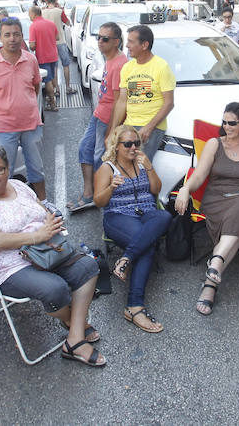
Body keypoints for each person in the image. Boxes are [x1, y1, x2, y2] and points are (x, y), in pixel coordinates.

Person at [0, 144, 106, 367]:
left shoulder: (18, 186)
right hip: (7, 268)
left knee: (89, 266)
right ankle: (75, 324)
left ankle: (73, 337)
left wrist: (50, 221)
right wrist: (37, 236)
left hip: (44, 252)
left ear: (8, 169)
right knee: (55, 288)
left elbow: (42, 209)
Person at [175, 103, 239, 316]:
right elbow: (199, 175)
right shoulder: (214, 144)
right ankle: (215, 268)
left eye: (232, 123)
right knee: (237, 228)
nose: (226, 127)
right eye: (224, 122)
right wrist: (185, 189)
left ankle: (213, 274)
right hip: (216, 200)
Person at [93, 125, 170, 333]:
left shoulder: (142, 163)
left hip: (145, 213)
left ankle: (125, 259)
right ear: (116, 146)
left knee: (164, 215)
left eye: (136, 143)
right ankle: (135, 306)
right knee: (146, 244)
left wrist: (149, 167)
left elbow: (156, 190)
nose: (133, 147)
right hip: (118, 216)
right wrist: (111, 187)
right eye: (127, 144)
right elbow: (98, 201)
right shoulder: (107, 168)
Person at [0, 17, 49, 201]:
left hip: (31, 125)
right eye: (7, 35)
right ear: (0, 37)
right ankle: (5, 207)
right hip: (4, 128)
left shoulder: (30, 60)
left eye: (16, 34)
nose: (12, 39)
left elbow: (35, 87)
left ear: (22, 36)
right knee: (2, 172)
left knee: (37, 169)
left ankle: (44, 204)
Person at [68, 22, 126, 212]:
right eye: (98, 37)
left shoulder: (119, 64)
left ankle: (100, 197)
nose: (100, 41)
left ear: (116, 42)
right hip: (98, 115)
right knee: (85, 149)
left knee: (100, 158)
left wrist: (112, 129)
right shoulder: (109, 59)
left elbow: (120, 101)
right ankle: (89, 193)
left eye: (105, 39)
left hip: (106, 119)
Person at [110, 25, 175, 162]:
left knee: (137, 167)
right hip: (129, 126)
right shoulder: (127, 68)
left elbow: (169, 103)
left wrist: (149, 128)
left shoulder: (161, 67)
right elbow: (122, 102)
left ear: (145, 45)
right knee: (115, 162)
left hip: (151, 126)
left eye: (131, 42)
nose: (127, 46)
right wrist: (113, 130)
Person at [27, 6, 60, 112]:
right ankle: (52, 97)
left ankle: (52, 103)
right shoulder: (51, 24)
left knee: (47, 80)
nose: (29, 16)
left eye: (29, 14)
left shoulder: (33, 26)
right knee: (52, 77)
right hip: (53, 55)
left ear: (34, 14)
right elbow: (57, 38)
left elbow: (32, 46)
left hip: (43, 57)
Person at [43, 0, 76, 95]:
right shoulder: (59, 11)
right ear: (55, 2)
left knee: (54, 67)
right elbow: (68, 23)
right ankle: (67, 87)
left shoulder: (42, 12)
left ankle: (56, 89)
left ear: (47, 2)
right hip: (61, 41)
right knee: (65, 65)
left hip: (49, 43)